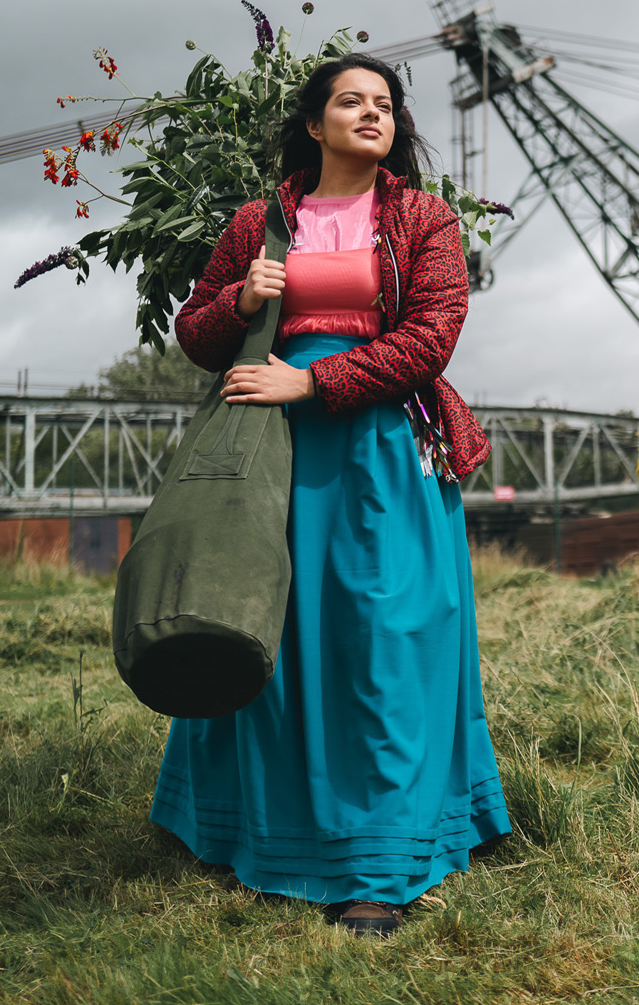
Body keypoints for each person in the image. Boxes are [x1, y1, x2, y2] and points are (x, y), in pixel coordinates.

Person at [155, 53, 510, 937]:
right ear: (314, 124)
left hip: (381, 446)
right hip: (267, 458)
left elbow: (432, 336)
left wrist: (312, 385)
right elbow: (195, 332)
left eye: (384, 103)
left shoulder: (425, 218)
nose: (371, 113)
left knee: (380, 636)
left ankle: (380, 862)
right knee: (265, 620)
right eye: (350, 101)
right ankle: (249, 827)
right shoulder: (259, 220)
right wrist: (240, 299)